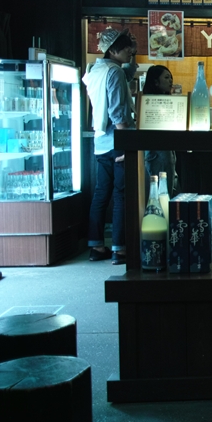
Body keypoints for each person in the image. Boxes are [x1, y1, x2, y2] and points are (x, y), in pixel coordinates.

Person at [83, 27, 137, 265]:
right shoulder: (114, 72)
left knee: (101, 194)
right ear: (113, 50)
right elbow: (118, 112)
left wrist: (132, 60)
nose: (130, 51)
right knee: (121, 194)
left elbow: (128, 75)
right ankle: (120, 249)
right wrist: (126, 144)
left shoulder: (95, 70)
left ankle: (96, 246)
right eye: (126, 48)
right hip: (117, 141)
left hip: (101, 141)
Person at [142, 65, 178, 192]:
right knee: (161, 192)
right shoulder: (149, 103)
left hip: (167, 151)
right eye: (166, 77)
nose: (170, 81)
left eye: (171, 77)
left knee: (167, 190)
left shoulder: (166, 100)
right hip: (156, 153)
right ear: (156, 82)